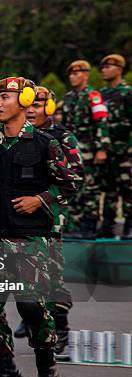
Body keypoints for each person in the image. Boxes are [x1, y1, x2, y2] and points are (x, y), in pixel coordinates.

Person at [0, 77, 77, 377]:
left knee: (31, 305)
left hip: (31, 239)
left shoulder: (46, 143)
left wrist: (40, 199)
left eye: (5, 97)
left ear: (25, 99)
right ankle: (6, 373)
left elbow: (68, 185)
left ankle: (47, 367)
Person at [16, 86, 84, 355]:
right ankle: (33, 318)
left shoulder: (62, 137)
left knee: (52, 275)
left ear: (50, 107)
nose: (32, 109)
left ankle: (62, 327)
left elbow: (75, 177)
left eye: (39, 104)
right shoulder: (19, 136)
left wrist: (43, 199)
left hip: (50, 216)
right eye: (29, 104)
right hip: (21, 218)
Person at [61, 60, 110, 238]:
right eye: (71, 74)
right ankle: (76, 224)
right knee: (73, 186)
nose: (73, 77)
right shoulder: (68, 98)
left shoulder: (93, 96)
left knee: (90, 187)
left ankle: (90, 225)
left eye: (77, 73)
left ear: (86, 75)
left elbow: (101, 122)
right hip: (71, 150)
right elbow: (64, 126)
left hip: (89, 149)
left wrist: (102, 148)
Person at [99, 54, 131, 239]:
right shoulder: (101, 95)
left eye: (108, 66)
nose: (104, 70)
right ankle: (108, 224)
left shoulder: (127, 93)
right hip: (107, 151)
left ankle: (129, 224)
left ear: (119, 69)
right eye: (103, 67)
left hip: (125, 150)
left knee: (127, 188)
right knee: (108, 189)